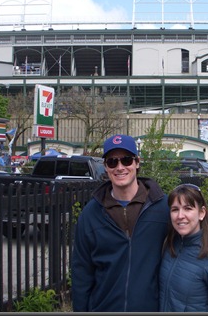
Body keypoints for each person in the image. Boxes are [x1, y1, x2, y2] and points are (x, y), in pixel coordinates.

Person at [71, 134, 170, 312]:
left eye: (126, 160)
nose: (120, 167)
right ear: (106, 167)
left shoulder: (162, 208)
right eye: (112, 162)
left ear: (137, 162)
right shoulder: (91, 215)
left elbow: (190, 245)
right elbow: (81, 273)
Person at [159, 183, 208, 312]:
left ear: (201, 213)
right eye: (175, 209)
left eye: (188, 208)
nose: (180, 216)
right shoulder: (170, 246)